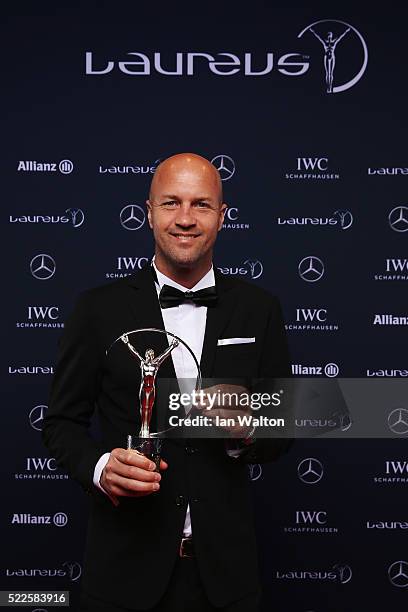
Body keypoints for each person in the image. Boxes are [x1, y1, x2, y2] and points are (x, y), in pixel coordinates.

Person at [42, 153, 292, 611]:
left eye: (200, 205)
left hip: (226, 578)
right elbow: (60, 423)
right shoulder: (97, 310)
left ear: (222, 216)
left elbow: (287, 427)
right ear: (148, 212)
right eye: (171, 203)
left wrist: (248, 428)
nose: (185, 219)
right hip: (123, 573)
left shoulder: (260, 308)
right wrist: (100, 468)